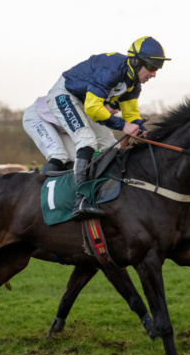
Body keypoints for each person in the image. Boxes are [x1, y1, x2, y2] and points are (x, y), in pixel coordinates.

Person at [44, 36, 171, 219]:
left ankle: (102, 193)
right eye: (151, 67)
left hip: (86, 102)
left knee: (110, 145)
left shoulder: (133, 82)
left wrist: (139, 128)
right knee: (86, 140)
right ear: (136, 61)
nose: (154, 74)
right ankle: (79, 199)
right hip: (65, 96)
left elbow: (131, 114)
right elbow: (93, 108)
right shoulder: (111, 70)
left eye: (158, 69)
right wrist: (122, 126)